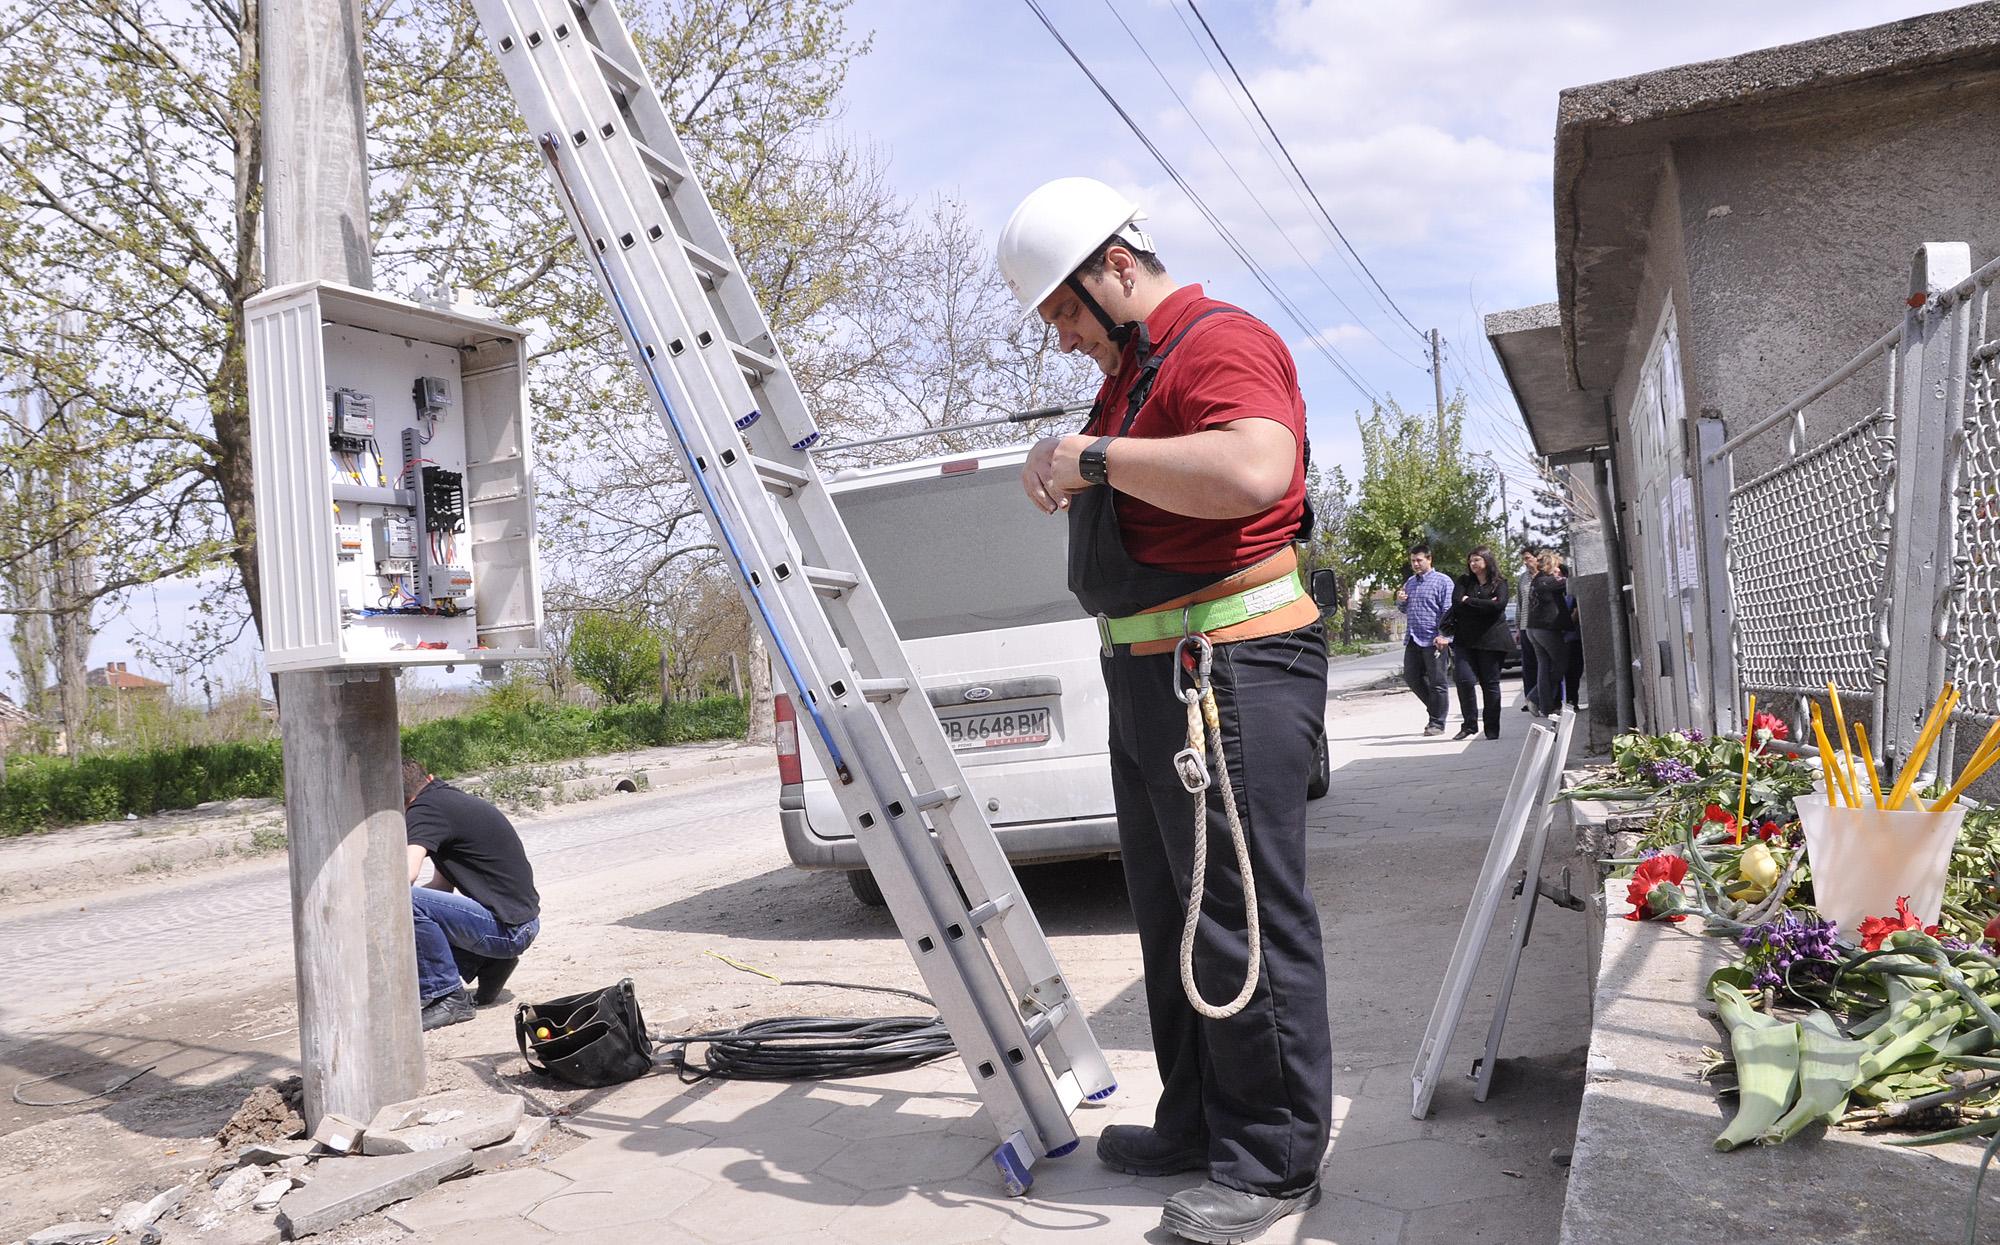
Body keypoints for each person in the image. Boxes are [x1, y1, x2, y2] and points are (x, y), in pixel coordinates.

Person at [1000, 176, 1329, 1243]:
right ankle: (1196, 1122)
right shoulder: (1136, 369)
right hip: (1154, 674)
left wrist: (1091, 457)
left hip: (1223, 668)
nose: (1061, 339)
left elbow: (1251, 466)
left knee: (1236, 918)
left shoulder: (1215, 340)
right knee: (1173, 918)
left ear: (1116, 268)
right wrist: (1078, 455)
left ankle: (1271, 1159)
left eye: (1062, 311)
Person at [403, 761, 541, 1031]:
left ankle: (448, 997)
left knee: (401, 900)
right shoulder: (446, 801)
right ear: (428, 777)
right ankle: (490, 962)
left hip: (508, 930)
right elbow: (442, 889)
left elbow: (404, 877)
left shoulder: (424, 810)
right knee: (413, 903)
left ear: (404, 800)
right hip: (519, 924)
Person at [1439, 546, 1511, 740]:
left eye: (1477, 560)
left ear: (1487, 561)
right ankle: (1469, 725)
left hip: (1492, 640)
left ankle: (1492, 728)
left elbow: (1499, 606)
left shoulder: (1500, 583)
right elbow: (1456, 604)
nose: (1473, 564)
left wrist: (1468, 601)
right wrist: (1484, 604)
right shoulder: (1464, 581)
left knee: (1490, 684)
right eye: (1471, 560)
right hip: (1465, 640)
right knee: (1464, 680)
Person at [1397, 543, 1454, 736]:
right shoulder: (1410, 582)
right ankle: (1436, 709)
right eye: (1412, 560)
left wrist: (1444, 635)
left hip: (1435, 639)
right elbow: (1404, 609)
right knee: (1412, 677)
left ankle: (1437, 722)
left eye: (1419, 560)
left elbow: (1449, 611)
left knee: (1438, 681)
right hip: (1414, 638)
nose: (1415, 564)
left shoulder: (1443, 581)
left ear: (1429, 559)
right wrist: (1401, 601)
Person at [1524, 551, 1570, 721]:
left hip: (1533, 629)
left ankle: (1545, 707)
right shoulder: (1549, 581)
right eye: (1557, 565)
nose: (1559, 569)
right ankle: (1536, 697)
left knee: (1544, 666)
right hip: (1546, 630)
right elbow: (1570, 581)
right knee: (1561, 663)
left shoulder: (1537, 580)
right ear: (1551, 565)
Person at [1516, 548, 1541, 713]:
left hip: (1542, 626)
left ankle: (1541, 697)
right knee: (1529, 664)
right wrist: (1518, 627)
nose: (1526, 562)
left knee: (1543, 663)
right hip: (1525, 626)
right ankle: (1529, 699)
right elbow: (1519, 603)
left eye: (1528, 558)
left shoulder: (1545, 576)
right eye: (1523, 559)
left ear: (1537, 557)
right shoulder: (1522, 578)